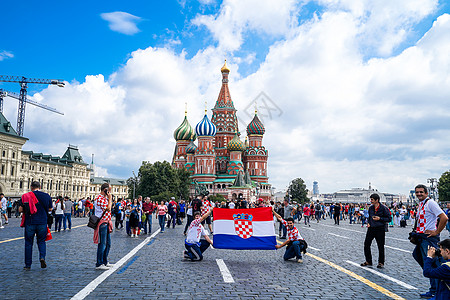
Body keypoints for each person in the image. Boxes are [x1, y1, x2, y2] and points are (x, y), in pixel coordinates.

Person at [412, 184, 448, 299]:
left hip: (428, 238)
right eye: (417, 192)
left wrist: (436, 232)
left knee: (434, 264)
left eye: (421, 192)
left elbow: (444, 218)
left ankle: (436, 292)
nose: (419, 194)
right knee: (423, 260)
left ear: (426, 193)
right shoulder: (421, 204)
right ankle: (433, 289)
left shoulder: (430, 203)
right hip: (421, 238)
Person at [19, 181, 52, 270]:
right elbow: (50, 209)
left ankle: (28, 265)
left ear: (31, 187)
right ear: (40, 187)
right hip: (42, 222)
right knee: (41, 241)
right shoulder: (46, 196)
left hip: (30, 222)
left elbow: (20, 209)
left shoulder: (25, 196)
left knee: (28, 243)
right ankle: (42, 257)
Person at [360, 194, 392, 268]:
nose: (370, 201)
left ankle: (381, 262)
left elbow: (389, 218)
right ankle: (368, 261)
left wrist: (380, 218)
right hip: (371, 228)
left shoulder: (384, 208)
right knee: (366, 244)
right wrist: (368, 223)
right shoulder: (371, 208)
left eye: (372, 200)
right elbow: (369, 217)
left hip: (380, 229)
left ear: (377, 200)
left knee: (380, 246)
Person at [93, 183, 113, 270]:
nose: (110, 192)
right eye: (109, 190)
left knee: (108, 244)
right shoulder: (99, 198)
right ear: (105, 190)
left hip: (107, 222)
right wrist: (110, 199)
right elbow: (108, 208)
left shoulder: (104, 198)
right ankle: (99, 263)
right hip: (102, 223)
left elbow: (110, 207)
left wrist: (109, 200)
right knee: (102, 244)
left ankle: (105, 261)